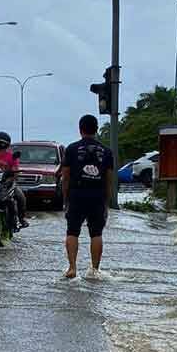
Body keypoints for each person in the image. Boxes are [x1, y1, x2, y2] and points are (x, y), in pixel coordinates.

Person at [61, 114, 114, 279]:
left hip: (76, 194)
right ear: (96, 129)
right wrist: (106, 200)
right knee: (96, 233)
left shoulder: (71, 149)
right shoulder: (106, 151)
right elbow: (109, 178)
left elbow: (65, 176)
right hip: (98, 195)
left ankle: (72, 268)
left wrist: (65, 198)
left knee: (72, 231)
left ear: (80, 129)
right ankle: (95, 270)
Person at [0, 131, 28, 228]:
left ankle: (21, 219)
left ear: (2, 144)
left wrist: (12, 176)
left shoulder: (11, 156)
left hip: (8, 183)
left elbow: (15, 171)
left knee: (21, 197)